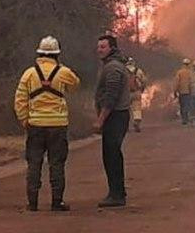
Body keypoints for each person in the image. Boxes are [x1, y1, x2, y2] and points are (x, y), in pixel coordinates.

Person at [13, 35, 81, 212]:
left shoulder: (28, 74)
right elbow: (75, 85)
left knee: (34, 163)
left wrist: (24, 120)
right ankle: (56, 202)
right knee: (56, 164)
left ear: (40, 53)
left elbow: (20, 100)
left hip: (35, 125)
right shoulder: (64, 72)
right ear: (57, 54)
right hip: (58, 126)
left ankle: (32, 203)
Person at [93, 33, 132, 207]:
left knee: (112, 155)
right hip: (117, 115)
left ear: (112, 48)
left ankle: (116, 195)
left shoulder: (113, 68)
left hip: (115, 116)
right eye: (98, 46)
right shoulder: (111, 65)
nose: (99, 50)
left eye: (103, 47)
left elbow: (111, 97)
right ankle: (117, 191)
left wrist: (101, 119)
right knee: (112, 154)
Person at [125, 56, 148, 133]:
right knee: (137, 109)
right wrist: (142, 89)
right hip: (136, 92)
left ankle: (125, 126)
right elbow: (144, 81)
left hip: (126, 93)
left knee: (125, 109)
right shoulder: (138, 71)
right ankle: (136, 123)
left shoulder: (123, 70)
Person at [174, 58, 193, 125]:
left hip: (181, 92)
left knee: (182, 105)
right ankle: (187, 118)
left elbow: (176, 82)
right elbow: (192, 82)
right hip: (189, 91)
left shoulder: (179, 72)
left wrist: (175, 91)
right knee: (188, 105)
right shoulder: (191, 72)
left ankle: (184, 119)